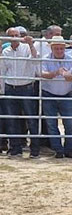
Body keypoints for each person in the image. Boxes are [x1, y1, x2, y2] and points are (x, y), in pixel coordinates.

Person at [40, 36, 72, 158]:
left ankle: (69, 149)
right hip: (49, 94)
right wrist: (56, 73)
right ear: (52, 48)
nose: (59, 51)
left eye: (61, 48)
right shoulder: (45, 59)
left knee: (70, 124)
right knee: (51, 124)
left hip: (66, 95)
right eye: (56, 48)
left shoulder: (71, 58)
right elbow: (42, 74)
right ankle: (58, 149)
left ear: (65, 48)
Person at [1, 27, 41, 157]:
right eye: (11, 35)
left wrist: (30, 44)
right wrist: (2, 90)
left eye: (16, 35)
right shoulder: (5, 51)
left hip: (26, 87)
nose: (14, 38)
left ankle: (35, 149)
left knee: (31, 119)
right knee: (11, 120)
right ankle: (15, 148)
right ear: (8, 37)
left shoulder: (27, 48)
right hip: (10, 87)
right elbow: (3, 71)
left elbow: (36, 60)